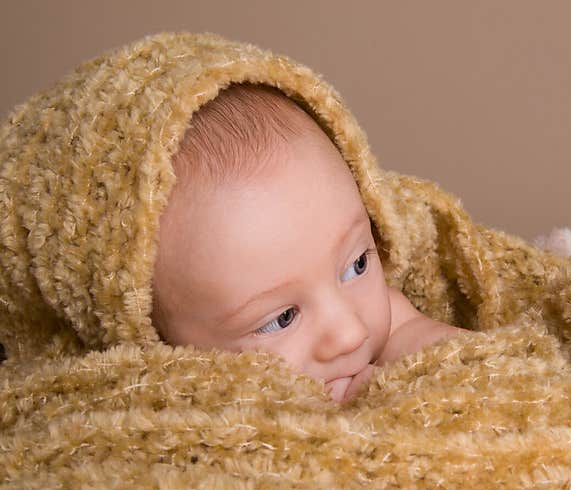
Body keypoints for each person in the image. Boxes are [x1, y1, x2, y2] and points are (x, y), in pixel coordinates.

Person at [151, 83, 467, 402]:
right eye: (282, 318)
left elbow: (456, 357)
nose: (350, 333)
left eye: (356, 265)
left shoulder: (385, 318)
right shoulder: (164, 414)